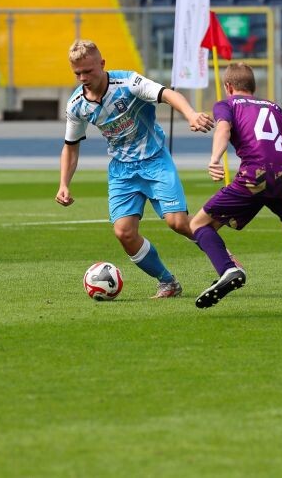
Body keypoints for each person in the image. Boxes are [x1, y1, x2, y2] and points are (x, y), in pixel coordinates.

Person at [56, 40, 214, 298]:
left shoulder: (128, 82)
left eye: (88, 71)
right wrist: (64, 183)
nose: (83, 78)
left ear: (102, 64)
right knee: (124, 233)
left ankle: (225, 260)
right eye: (78, 73)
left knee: (178, 223)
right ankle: (168, 282)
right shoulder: (77, 104)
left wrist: (191, 114)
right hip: (122, 171)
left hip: (155, 160)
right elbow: (70, 147)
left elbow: (167, 94)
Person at [189, 62, 282, 314]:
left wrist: (214, 159)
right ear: (253, 87)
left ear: (228, 86)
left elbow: (223, 128)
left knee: (199, 225)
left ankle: (228, 269)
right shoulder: (276, 108)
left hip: (254, 175)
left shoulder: (226, 104)